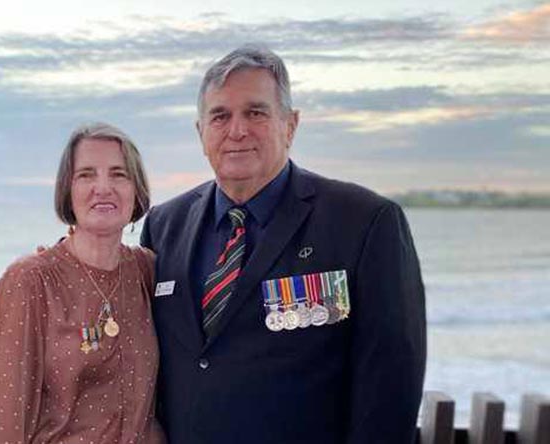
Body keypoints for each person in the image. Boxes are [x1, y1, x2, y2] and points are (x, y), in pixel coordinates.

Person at [140, 44, 426, 443]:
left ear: (290, 125)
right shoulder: (163, 225)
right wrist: (62, 264)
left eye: (255, 112)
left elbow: (391, 383)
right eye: (220, 116)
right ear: (200, 132)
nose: (236, 130)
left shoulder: (364, 222)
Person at [0, 123, 166, 444]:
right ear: (68, 189)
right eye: (86, 174)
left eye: (119, 174)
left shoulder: (147, 271)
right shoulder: (31, 281)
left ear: (137, 190)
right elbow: (1, 420)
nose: (103, 187)